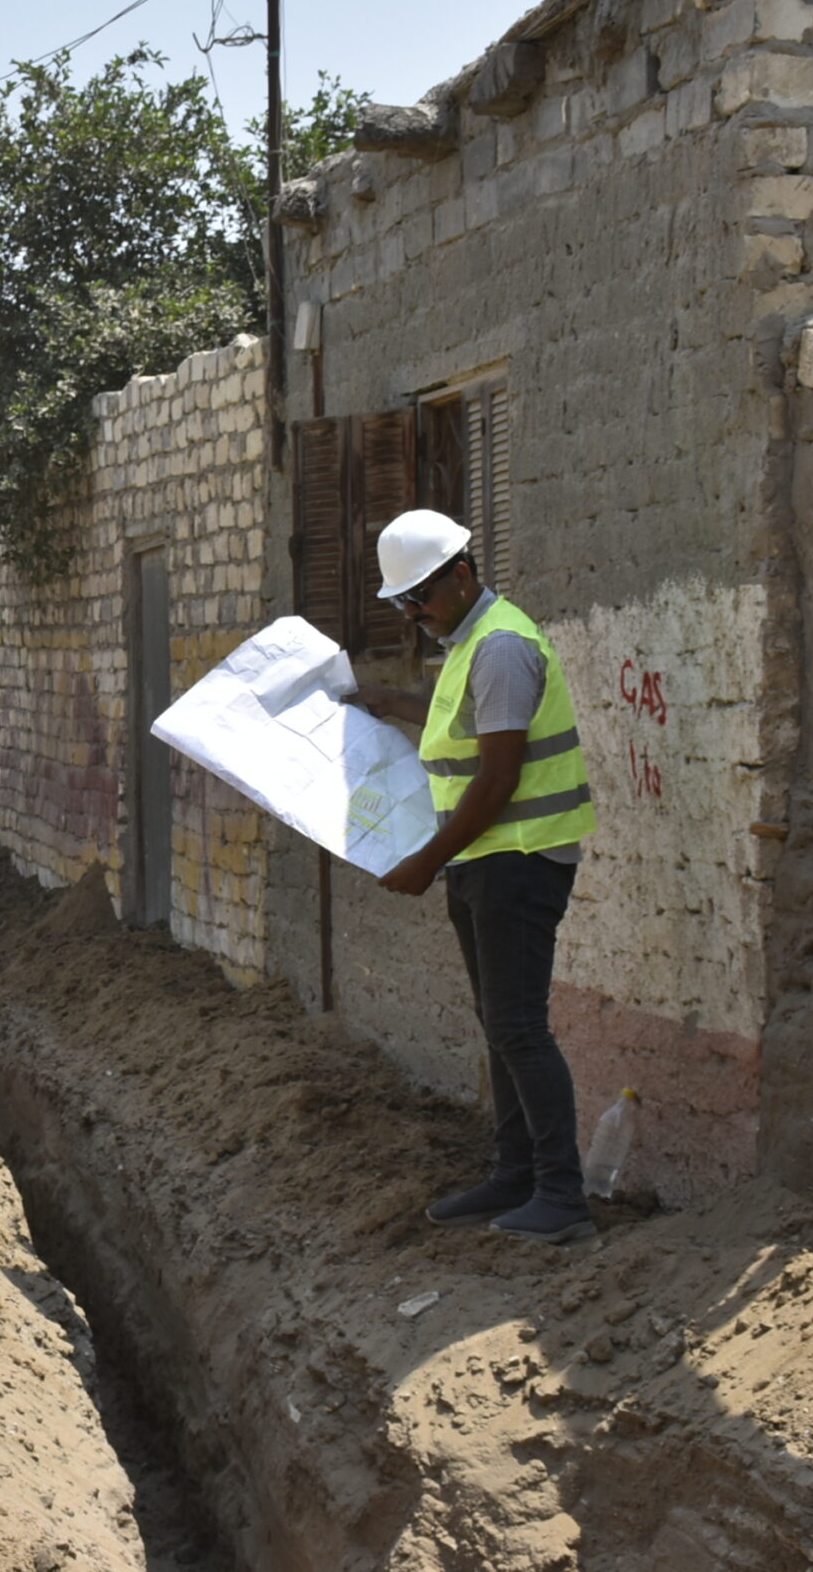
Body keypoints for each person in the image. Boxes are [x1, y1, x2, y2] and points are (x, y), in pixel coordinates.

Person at [346, 509, 599, 1245]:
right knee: (500, 1025)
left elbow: (497, 778)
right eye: (402, 603)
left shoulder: (501, 646)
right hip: (486, 859)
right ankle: (515, 1173)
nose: (414, 614)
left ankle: (562, 1195)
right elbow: (472, 727)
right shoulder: (469, 645)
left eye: (421, 596)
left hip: (518, 858)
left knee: (520, 1027)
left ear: (462, 575)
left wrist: (424, 862)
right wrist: (394, 706)